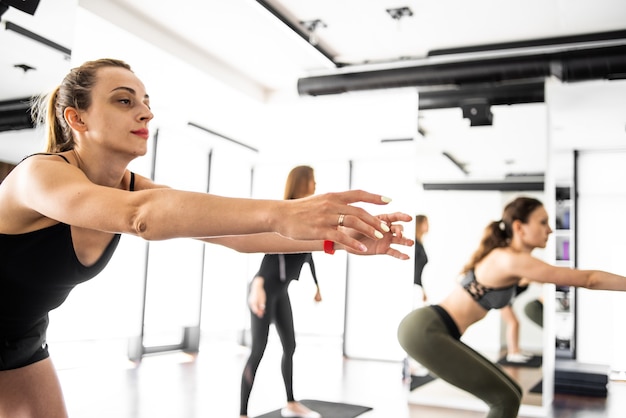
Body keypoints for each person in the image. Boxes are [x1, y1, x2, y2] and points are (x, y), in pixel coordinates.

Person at [0, 58, 414, 418]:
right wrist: (286, 210)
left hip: (23, 338)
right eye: (125, 100)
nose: (145, 113)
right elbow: (140, 217)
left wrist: (341, 240)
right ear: (77, 118)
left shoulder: (128, 185)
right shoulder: (39, 175)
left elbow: (234, 235)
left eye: (146, 102)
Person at [397, 196, 626, 418]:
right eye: (543, 222)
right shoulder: (511, 259)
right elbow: (589, 279)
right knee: (505, 399)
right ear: (519, 227)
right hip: (426, 329)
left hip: (434, 328)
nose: (550, 230)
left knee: (513, 393)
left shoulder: (510, 259)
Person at [240, 165, 324, 418]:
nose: (316, 185)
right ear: (302, 182)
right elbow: (269, 251)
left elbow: (309, 253)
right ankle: (242, 414)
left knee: (290, 346)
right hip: (264, 289)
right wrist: (257, 284)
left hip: (281, 291)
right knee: (258, 350)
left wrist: (317, 285)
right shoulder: (286, 212)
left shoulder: (307, 215)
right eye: (313, 180)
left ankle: (290, 402)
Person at [499, 280, 534, 363]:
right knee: (514, 323)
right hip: (502, 301)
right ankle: (513, 353)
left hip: (507, 302)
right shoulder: (524, 278)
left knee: (514, 323)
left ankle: (516, 350)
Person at [412, 214, 429, 304]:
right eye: (426, 223)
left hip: (418, 287)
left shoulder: (420, 244)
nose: (428, 226)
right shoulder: (415, 245)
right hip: (414, 287)